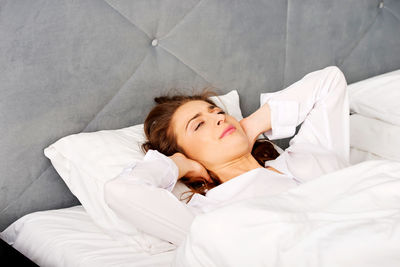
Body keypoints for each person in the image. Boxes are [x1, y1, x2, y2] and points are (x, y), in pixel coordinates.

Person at [104, 66, 350, 246]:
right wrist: (176, 165)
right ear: (186, 155)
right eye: (198, 125)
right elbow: (121, 191)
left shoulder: (304, 156)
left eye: (217, 112)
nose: (219, 118)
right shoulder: (209, 215)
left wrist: (252, 125)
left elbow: (330, 81)